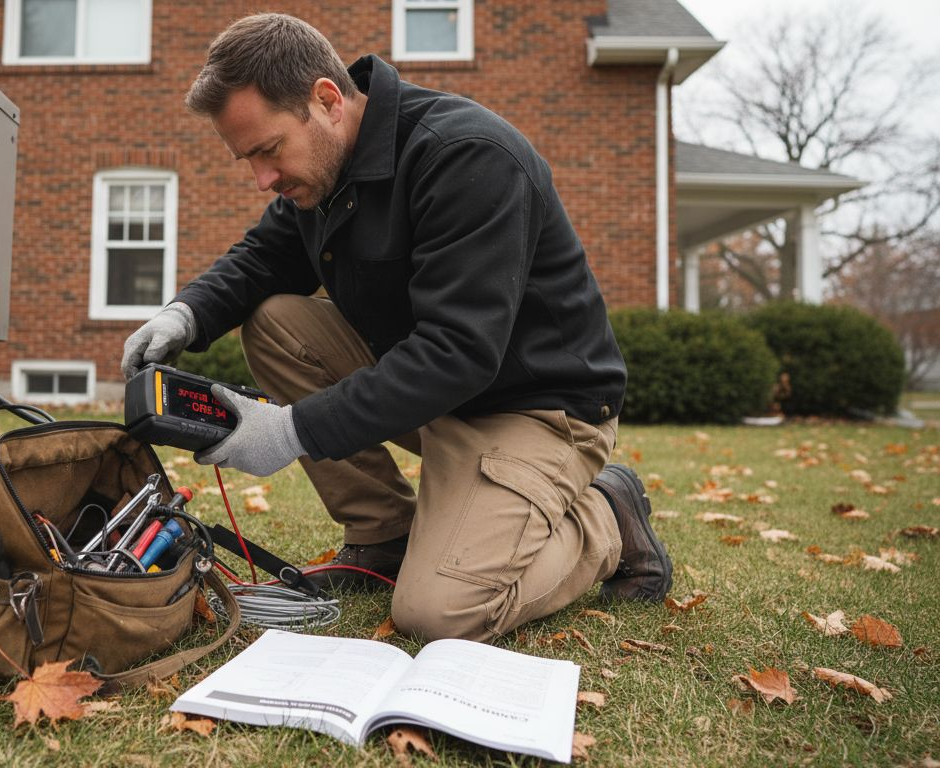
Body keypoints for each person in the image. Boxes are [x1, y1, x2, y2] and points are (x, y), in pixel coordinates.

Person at [120, 13, 671, 641]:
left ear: (326, 100)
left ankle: (607, 517)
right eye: (248, 159)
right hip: (437, 391)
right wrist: (183, 314)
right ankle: (383, 535)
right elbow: (266, 257)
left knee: (437, 613)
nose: (263, 179)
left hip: (536, 408)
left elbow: (459, 351)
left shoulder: (467, 158)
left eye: (268, 150)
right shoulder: (326, 170)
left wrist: (292, 430)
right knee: (277, 322)